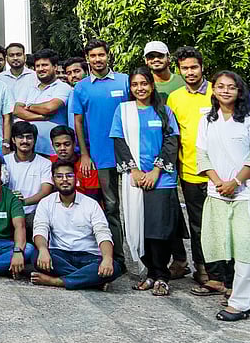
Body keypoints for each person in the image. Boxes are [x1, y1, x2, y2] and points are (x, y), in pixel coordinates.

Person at [198, 71, 250, 321]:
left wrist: (236, 181)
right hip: (219, 192)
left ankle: (238, 304)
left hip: (248, 194)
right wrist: (219, 182)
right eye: (220, 86)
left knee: (247, 249)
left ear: (240, 91)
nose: (226, 91)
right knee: (229, 247)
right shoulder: (207, 120)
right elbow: (202, 155)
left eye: (231, 87)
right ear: (214, 90)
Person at [110, 66, 182, 296]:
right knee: (137, 226)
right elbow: (119, 142)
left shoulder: (164, 111)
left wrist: (155, 172)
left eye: (144, 83)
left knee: (158, 229)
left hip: (161, 180)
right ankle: (149, 273)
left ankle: (161, 275)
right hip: (134, 178)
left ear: (152, 85)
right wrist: (134, 171)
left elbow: (171, 142)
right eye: (135, 84)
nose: (140, 88)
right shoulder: (123, 111)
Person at [166, 47, 223, 293]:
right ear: (179, 70)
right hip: (190, 171)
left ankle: (225, 273)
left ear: (202, 67)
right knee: (198, 224)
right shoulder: (175, 98)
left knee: (221, 225)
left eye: (194, 67)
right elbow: (173, 135)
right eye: (185, 68)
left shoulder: (217, 92)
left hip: (221, 173)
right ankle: (203, 268)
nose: (190, 72)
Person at [71, 39, 130, 250]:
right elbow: (78, 122)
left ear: (108, 55)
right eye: (93, 56)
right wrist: (85, 155)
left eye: (101, 55)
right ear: (87, 59)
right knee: (111, 205)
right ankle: (118, 255)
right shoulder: (81, 87)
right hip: (100, 155)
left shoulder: (125, 81)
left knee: (134, 206)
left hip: (129, 154)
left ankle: (142, 254)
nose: (98, 59)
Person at [30, 159, 125, 290]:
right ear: (53, 180)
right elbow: (40, 229)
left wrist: (107, 258)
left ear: (76, 178)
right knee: (36, 256)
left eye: (69, 175)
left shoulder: (91, 204)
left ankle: (58, 281)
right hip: (60, 255)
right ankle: (92, 280)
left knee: (114, 266)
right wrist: (43, 250)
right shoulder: (46, 202)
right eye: (59, 176)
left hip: (89, 257)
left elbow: (103, 233)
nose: (64, 180)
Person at [12, 49, 71, 156]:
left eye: (44, 65)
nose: (40, 69)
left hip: (52, 151)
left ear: (55, 67)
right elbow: (16, 111)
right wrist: (41, 117)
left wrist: (29, 106)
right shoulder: (29, 88)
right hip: (28, 149)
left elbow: (50, 108)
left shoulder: (63, 87)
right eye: (37, 66)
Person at [4, 121, 54, 236]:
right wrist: (15, 204)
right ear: (13, 140)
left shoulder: (45, 163)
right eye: (20, 137)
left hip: (35, 213)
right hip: (9, 211)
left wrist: (23, 202)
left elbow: (45, 191)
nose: (25, 141)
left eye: (29, 137)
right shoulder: (5, 161)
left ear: (34, 140)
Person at [49, 126, 100, 201]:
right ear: (53, 145)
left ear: (74, 144)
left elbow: (93, 198)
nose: (62, 148)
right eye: (58, 145)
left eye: (67, 144)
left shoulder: (87, 166)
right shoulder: (49, 163)